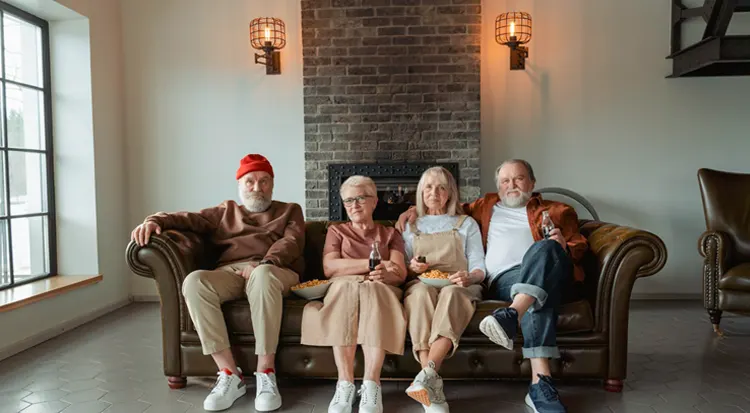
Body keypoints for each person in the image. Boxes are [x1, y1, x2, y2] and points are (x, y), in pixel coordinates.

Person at [396, 159, 588, 413]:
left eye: (519, 179)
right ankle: (540, 383)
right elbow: (440, 206)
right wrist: (410, 209)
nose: (512, 185)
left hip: (549, 270)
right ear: (498, 187)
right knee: (534, 294)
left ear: (532, 182)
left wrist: (563, 244)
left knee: (545, 250)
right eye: (505, 181)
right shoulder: (484, 207)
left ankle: (513, 313)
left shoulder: (558, 210)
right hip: (505, 278)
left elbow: (580, 246)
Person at [131, 154, 305, 412]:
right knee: (194, 282)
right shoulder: (224, 212)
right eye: (250, 181)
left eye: (264, 181)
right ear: (240, 184)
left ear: (273, 184)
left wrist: (267, 262)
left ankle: (265, 372)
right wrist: (155, 220)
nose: (257, 188)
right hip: (232, 273)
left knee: (263, 276)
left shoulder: (290, 210)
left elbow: (291, 242)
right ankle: (229, 373)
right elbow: (185, 218)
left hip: (274, 271)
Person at [300, 175, 408, 413]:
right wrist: (373, 265)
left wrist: (386, 274)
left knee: (373, 288)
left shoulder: (390, 234)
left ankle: (371, 383)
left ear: (375, 202)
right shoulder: (336, 232)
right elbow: (330, 268)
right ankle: (345, 383)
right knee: (347, 287)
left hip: (379, 288)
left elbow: (398, 272)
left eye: (360, 198)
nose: (354, 205)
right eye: (349, 201)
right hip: (345, 288)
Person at [399, 167, 486, 413]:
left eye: (441, 187)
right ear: (420, 192)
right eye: (428, 187)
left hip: (459, 283)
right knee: (420, 295)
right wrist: (412, 267)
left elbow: (479, 264)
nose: (433, 192)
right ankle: (432, 388)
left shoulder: (466, 223)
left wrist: (470, 277)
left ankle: (427, 375)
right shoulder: (410, 224)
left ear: (450, 193)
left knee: (451, 294)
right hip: (422, 282)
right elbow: (402, 267)